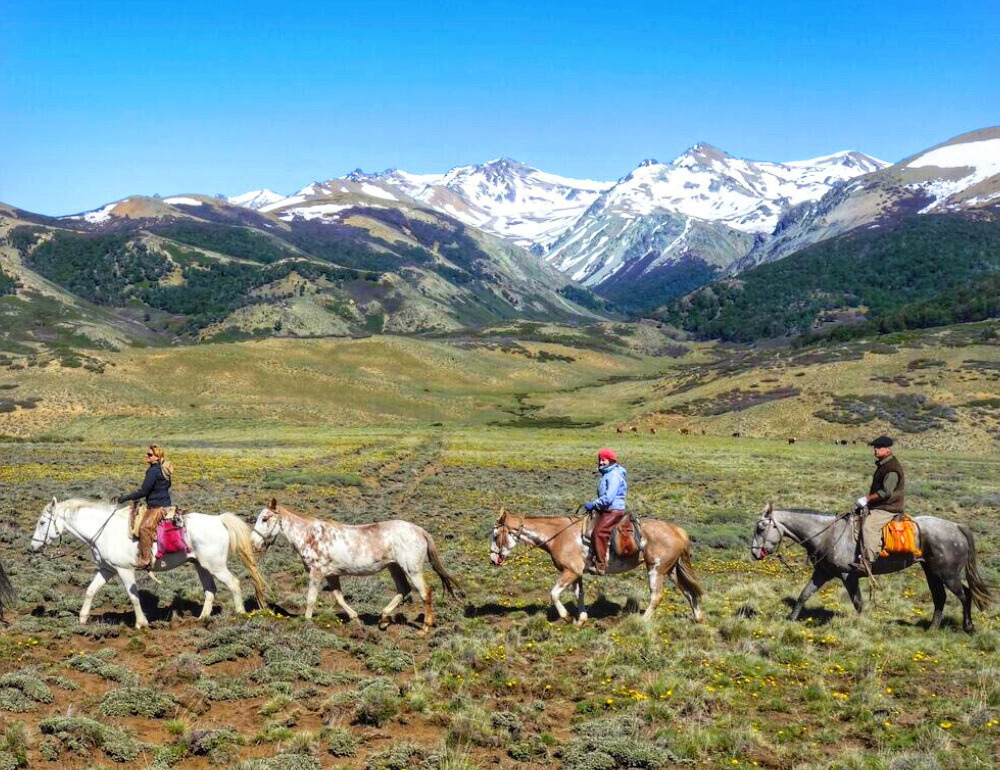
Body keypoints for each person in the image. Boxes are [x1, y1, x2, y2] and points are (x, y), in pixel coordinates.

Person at [117, 444, 173, 569]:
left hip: (157, 506)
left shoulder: (153, 471)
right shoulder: (163, 469)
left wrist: (126, 497)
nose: (147, 456)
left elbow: (144, 491)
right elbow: (166, 486)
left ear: (157, 457)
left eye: (150, 455)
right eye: (147, 454)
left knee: (144, 528)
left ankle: (145, 559)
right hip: (163, 503)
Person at [853, 435, 905, 569]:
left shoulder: (892, 469)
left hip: (889, 507)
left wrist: (867, 499)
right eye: (875, 448)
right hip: (881, 504)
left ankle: (868, 561)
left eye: (879, 448)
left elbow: (886, 492)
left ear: (887, 449)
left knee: (869, 527)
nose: (876, 450)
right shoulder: (884, 464)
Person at [583, 448, 628, 575]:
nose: (601, 462)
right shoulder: (607, 473)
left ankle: (601, 564)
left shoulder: (613, 474)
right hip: (606, 508)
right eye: (600, 460)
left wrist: (594, 504)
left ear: (610, 461)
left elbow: (608, 497)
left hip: (613, 509)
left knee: (599, 532)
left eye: (603, 460)